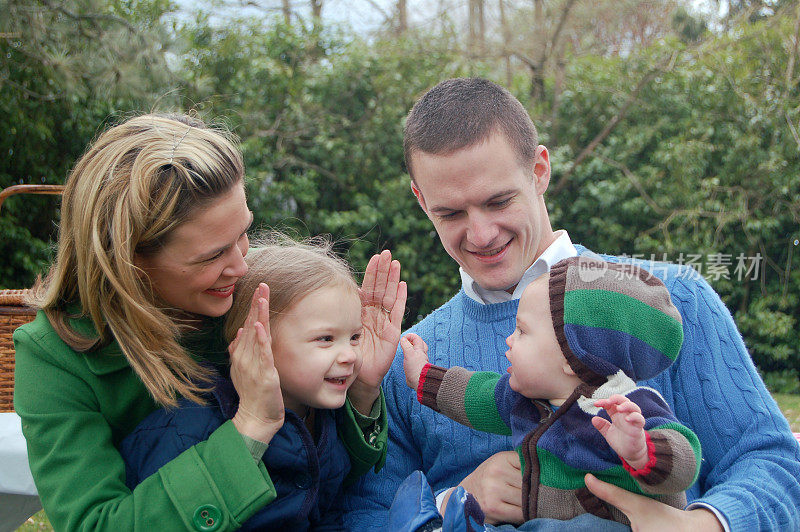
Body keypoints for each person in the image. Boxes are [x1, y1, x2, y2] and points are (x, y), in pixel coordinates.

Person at [342, 78, 800, 531]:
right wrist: (445, 505)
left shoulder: (673, 297)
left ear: (539, 171)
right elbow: (358, 516)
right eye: (451, 213)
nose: (480, 235)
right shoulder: (405, 360)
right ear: (422, 201)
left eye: (498, 201)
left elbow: (773, 464)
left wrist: (702, 525)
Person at [12, 114, 392, 530]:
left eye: (243, 233)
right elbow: (97, 524)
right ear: (130, 262)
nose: (242, 264)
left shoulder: (249, 299)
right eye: (212, 256)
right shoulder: (53, 359)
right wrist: (249, 430)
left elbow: (319, 479)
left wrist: (362, 392)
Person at [119, 235, 406, 530]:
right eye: (325, 339)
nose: (349, 355)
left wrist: (366, 387)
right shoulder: (187, 428)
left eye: (355, 337)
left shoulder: (323, 418)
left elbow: (327, 514)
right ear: (258, 341)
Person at [401, 256, 701, 526]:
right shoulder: (525, 399)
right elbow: (476, 394)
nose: (509, 340)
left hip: (612, 520)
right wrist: (425, 377)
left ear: (571, 358)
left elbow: (685, 456)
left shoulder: (622, 408)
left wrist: (642, 452)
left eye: (522, 331)